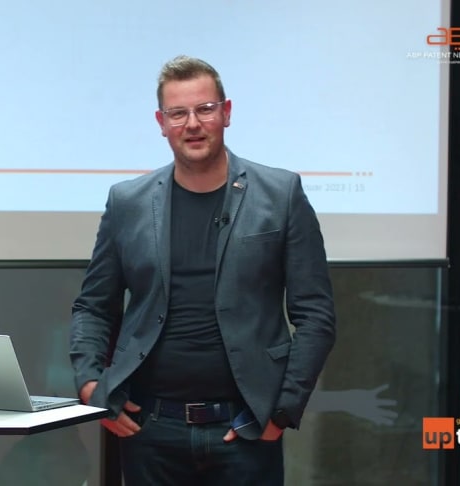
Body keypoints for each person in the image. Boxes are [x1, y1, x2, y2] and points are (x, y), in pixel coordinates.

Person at [69, 55, 336, 485]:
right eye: (178, 113)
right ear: (162, 123)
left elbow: (316, 314)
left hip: (246, 428)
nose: (192, 124)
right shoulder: (127, 202)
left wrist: (283, 411)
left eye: (205, 109)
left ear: (226, 113)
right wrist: (89, 385)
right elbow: (93, 306)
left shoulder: (281, 194)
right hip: (149, 429)